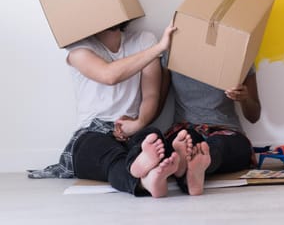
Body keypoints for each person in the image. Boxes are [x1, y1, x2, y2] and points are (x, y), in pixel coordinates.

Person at [28, 21, 210, 198]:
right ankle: (144, 180)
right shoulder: (78, 50)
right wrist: (160, 48)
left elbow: (151, 95)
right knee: (107, 155)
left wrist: (139, 123)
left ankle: (166, 174)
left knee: (152, 136)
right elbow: (109, 75)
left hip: (130, 131)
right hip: (92, 132)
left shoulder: (144, 40)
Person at [164, 65, 261, 193]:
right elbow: (156, 101)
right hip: (186, 127)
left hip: (227, 131)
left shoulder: (239, 54)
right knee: (186, 139)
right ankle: (192, 167)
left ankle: (194, 165)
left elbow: (254, 115)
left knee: (218, 145)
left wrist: (244, 99)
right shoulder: (172, 52)